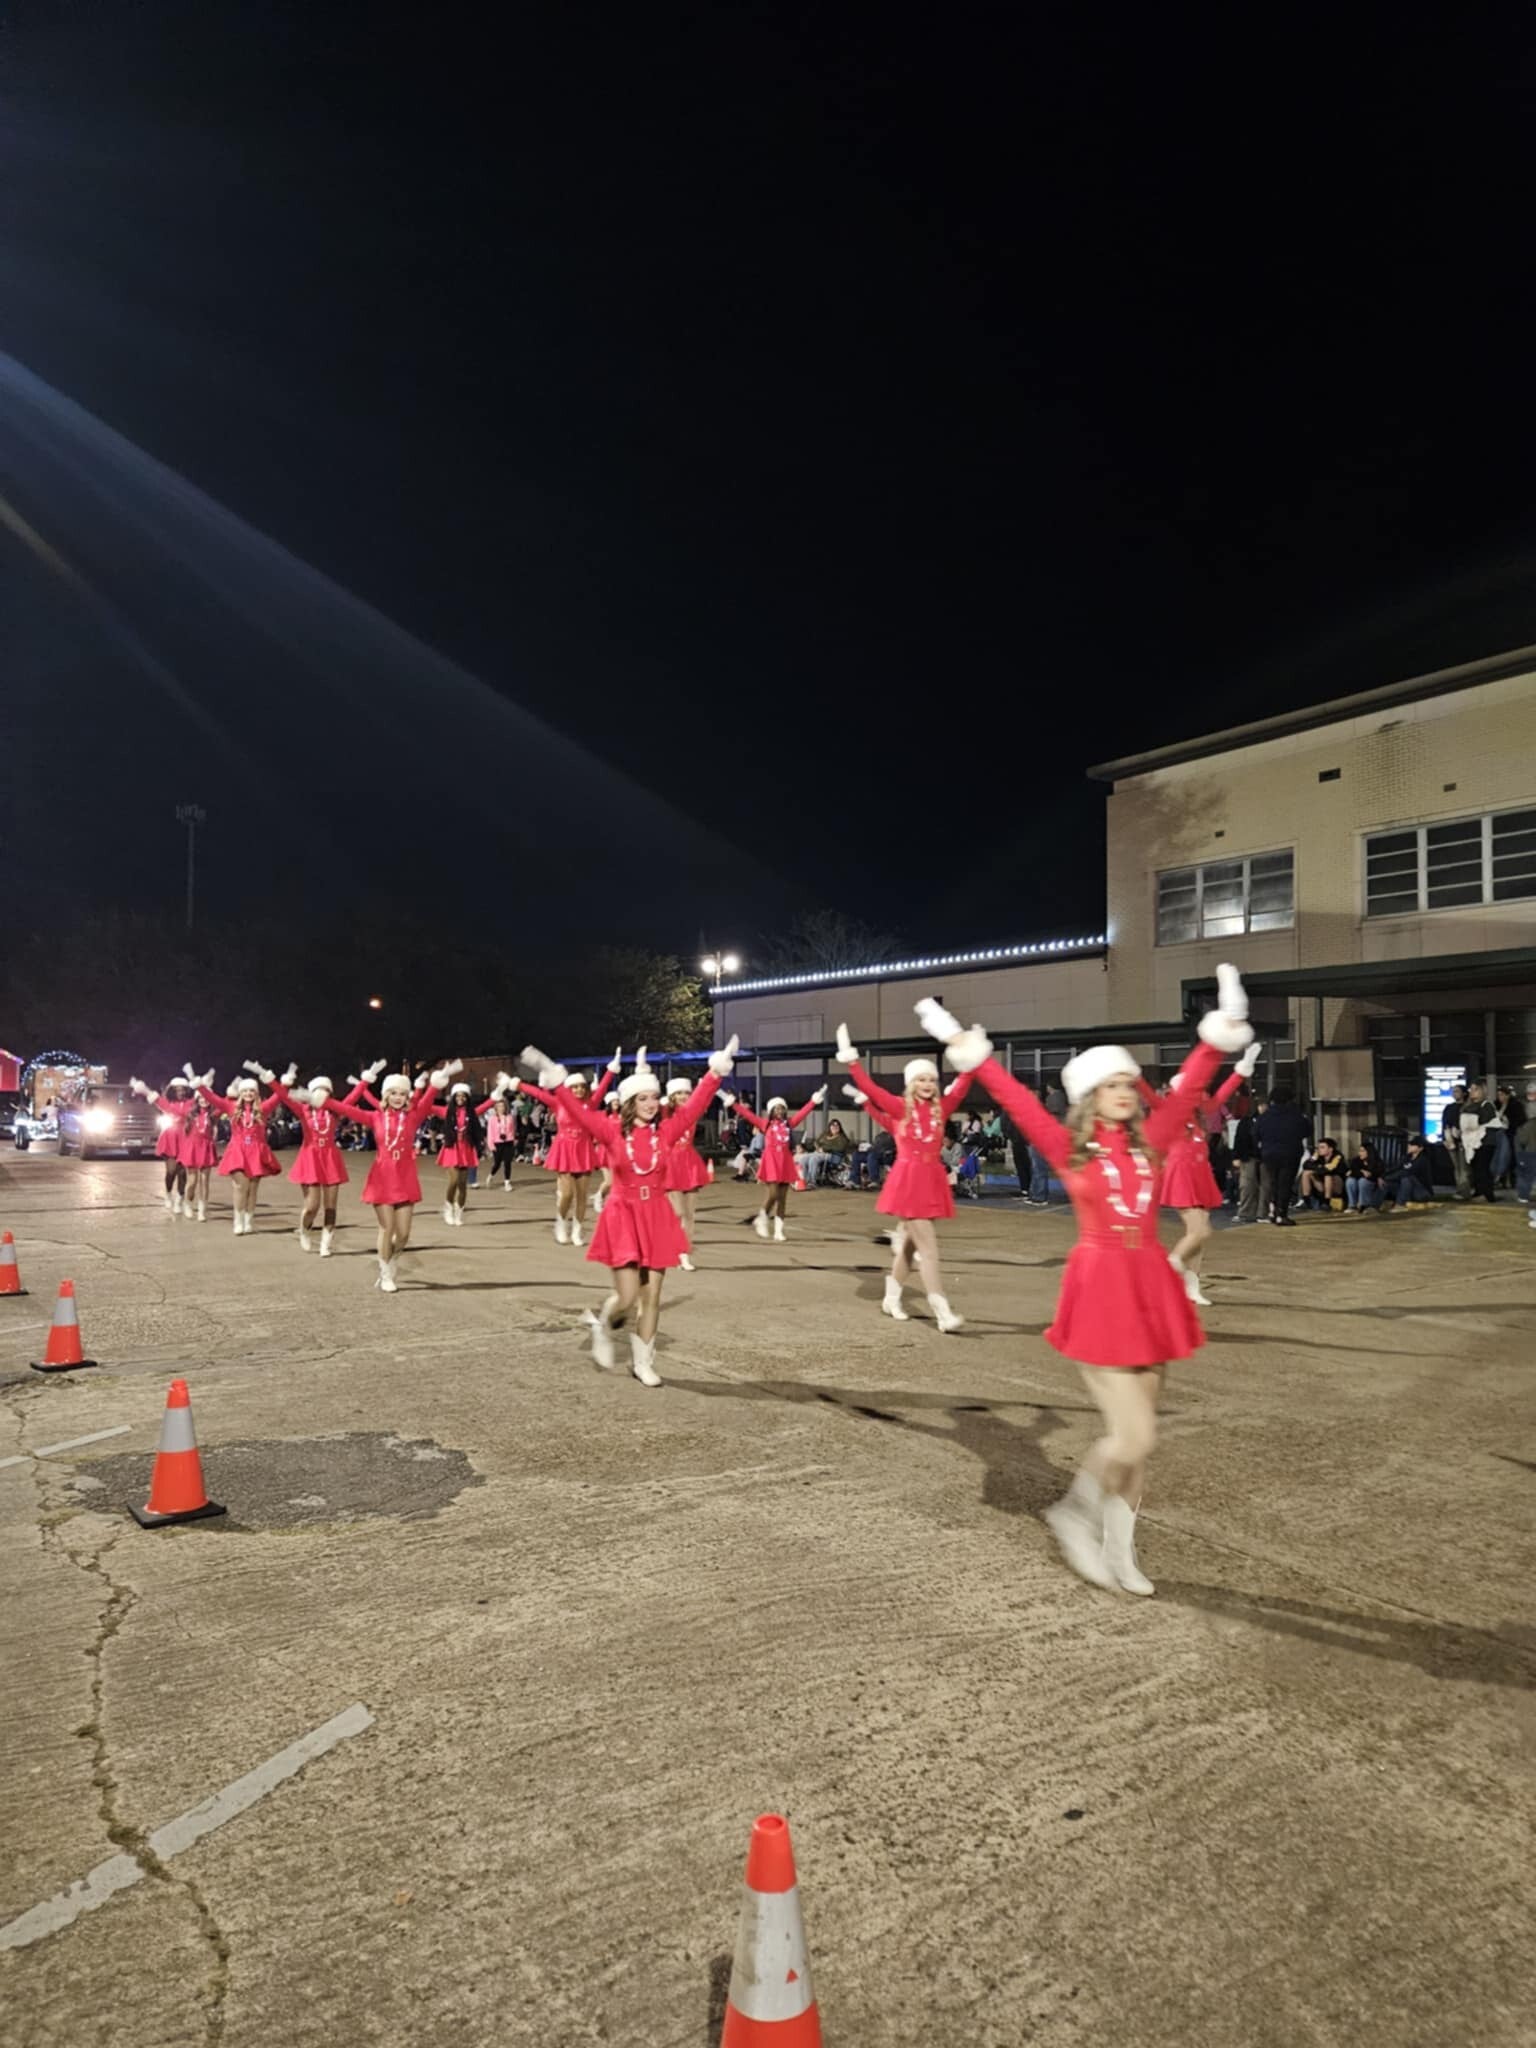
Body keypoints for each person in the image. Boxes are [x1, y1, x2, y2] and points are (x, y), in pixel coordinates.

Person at [913, 965, 1254, 1596]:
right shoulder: (1068, 1148)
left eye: (1130, 1081)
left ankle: (1121, 1554)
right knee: (1134, 1433)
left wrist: (1217, 1038)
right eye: (1112, 1083)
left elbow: (1186, 1094)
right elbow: (1014, 1098)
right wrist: (971, 1053)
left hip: (1150, 1285)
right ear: (1090, 1095)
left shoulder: (1152, 1141)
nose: (1126, 1090)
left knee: (1140, 1448)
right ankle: (1073, 1512)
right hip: (1100, 1288)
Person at [518, 1040, 738, 1386]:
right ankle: (604, 1323)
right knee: (628, 1296)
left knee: (652, 1297)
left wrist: (715, 1072)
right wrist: (555, 1079)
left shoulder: (666, 1132)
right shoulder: (610, 1131)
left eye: (654, 1098)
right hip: (623, 1215)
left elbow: (695, 1107)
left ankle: (643, 1362)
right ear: (630, 1103)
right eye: (643, 1098)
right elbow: (577, 1112)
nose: (651, 1104)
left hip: (656, 1216)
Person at [835, 1027, 973, 1330]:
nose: (927, 1084)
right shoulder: (900, 1108)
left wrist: (971, 1058)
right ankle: (942, 1312)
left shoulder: (941, 1109)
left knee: (910, 1250)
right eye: (921, 1079)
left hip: (931, 1181)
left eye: (932, 1079)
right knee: (929, 1250)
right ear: (910, 1083)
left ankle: (891, 1298)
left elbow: (962, 1087)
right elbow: (871, 1089)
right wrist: (851, 1061)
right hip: (909, 1182)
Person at [1142, 1040, 1261, 1303]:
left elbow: (1222, 1096)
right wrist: (1132, 1076)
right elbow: (1149, 1096)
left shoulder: (1200, 1113)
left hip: (1200, 1174)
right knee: (1199, 1230)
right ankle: (1170, 1264)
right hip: (1180, 1175)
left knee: (1198, 1236)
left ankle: (1192, 1285)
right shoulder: (1166, 1109)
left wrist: (1242, 1071)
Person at [329, 1063, 456, 1289]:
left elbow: (428, 1097)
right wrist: (318, 1099)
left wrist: (439, 1080)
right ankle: (385, 1273)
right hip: (382, 1177)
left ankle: (391, 1260)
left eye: (402, 1094)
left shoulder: (413, 1117)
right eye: (394, 1093)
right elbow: (345, 1109)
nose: (398, 1097)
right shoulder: (374, 1117)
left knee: (404, 1234)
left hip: (405, 1177)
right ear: (386, 1095)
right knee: (386, 1228)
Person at [265, 1063, 376, 1255]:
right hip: (310, 1157)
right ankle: (305, 1230)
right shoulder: (303, 1110)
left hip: (330, 1158)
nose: (322, 1095)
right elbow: (284, 1096)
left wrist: (365, 1080)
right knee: (312, 1206)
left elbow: (352, 1097)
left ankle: (326, 1242)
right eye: (318, 1091)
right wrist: (274, 1082)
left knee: (330, 1206)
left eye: (326, 1091)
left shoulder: (335, 1110)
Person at [518, 1050, 622, 1244]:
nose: (579, 1091)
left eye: (582, 1087)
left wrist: (611, 1069)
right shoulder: (559, 1103)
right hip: (565, 1149)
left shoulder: (590, 1104)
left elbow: (602, 1088)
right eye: (574, 1088)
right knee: (567, 1194)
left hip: (583, 1149)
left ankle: (577, 1230)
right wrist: (517, 1084)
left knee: (582, 1195)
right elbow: (538, 1093)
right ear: (569, 1089)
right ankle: (560, 1222)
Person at [194, 1069, 284, 1235]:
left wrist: (271, 1081)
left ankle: (249, 1220)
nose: (248, 1093)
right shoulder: (231, 1107)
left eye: (251, 1091)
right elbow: (212, 1098)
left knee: (252, 1188)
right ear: (240, 1093)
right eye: (245, 1091)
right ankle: (238, 1220)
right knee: (240, 1186)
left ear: (256, 1093)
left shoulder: (263, 1108)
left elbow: (280, 1094)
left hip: (257, 1152)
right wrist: (200, 1086)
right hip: (238, 1151)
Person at [731, 1088, 826, 1240]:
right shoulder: (765, 1124)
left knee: (782, 1199)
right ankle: (761, 1219)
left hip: (785, 1161)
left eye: (782, 1108)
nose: (780, 1111)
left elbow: (803, 1113)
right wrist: (734, 1104)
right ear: (771, 1111)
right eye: (776, 1109)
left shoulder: (789, 1124)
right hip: (771, 1161)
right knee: (773, 1194)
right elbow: (748, 1115)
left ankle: (778, 1231)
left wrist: (813, 1101)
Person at [662, 1073, 712, 1269]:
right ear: (672, 1095)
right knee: (678, 1212)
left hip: (689, 1163)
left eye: (686, 1092)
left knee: (689, 1215)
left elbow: (703, 1101)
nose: (683, 1096)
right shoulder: (664, 1112)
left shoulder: (691, 1112)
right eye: (679, 1092)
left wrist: (705, 1087)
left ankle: (684, 1254)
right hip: (671, 1164)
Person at [432, 1079, 496, 1226]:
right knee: (453, 1181)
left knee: (462, 1184)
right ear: (453, 1097)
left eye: (463, 1096)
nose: (460, 1099)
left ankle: (459, 1211)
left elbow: (486, 1105)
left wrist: (497, 1094)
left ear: (467, 1097)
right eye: (458, 1096)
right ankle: (448, 1207)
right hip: (452, 1148)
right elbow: (428, 1107)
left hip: (466, 1149)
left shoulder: (471, 1112)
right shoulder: (447, 1111)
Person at [1256, 1083, 1310, 1225]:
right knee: (1285, 1183)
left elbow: (1255, 1134)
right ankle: (1282, 1214)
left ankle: (1273, 1211)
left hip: (1269, 1154)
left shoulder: (1265, 1116)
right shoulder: (1295, 1115)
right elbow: (1307, 1130)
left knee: (1273, 1183)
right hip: (1290, 1153)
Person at [146, 1077, 194, 1213]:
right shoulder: (167, 1102)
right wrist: (142, 1088)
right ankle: (168, 1194)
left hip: (186, 1138)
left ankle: (179, 1200)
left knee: (182, 1172)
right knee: (171, 1171)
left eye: (183, 1089)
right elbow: (154, 1098)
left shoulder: (191, 1103)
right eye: (177, 1090)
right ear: (172, 1090)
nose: (181, 1092)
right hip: (170, 1138)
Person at [1460, 1082, 1500, 1203]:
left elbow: (1482, 1121)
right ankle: (1478, 1191)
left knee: (1483, 1168)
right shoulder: (1469, 1106)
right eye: (1471, 1089)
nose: (1472, 1092)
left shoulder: (1487, 1105)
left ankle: (1486, 1194)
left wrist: (1470, 1120)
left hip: (1485, 1141)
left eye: (1475, 1089)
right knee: (1475, 1168)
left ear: (1482, 1090)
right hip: (1471, 1142)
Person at [1230, 1094, 1261, 1224]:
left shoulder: (1267, 1121)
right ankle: (1246, 1212)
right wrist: (1236, 1156)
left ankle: (1260, 1212)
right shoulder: (1247, 1121)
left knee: (1262, 1186)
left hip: (1264, 1157)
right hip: (1248, 1157)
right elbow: (1239, 1139)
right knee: (1247, 1185)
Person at [1299, 1135, 1347, 1211]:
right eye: (1318, 1147)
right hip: (1322, 1185)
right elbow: (1306, 1165)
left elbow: (1330, 1170)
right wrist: (1319, 1167)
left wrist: (1318, 1168)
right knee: (1306, 1172)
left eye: (1322, 1147)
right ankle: (1306, 1200)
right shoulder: (1317, 1155)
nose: (1319, 1150)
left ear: (1330, 1149)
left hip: (1336, 1186)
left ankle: (1327, 1203)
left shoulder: (1338, 1156)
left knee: (1328, 1176)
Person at [1388, 1134, 1436, 1209]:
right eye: (1410, 1144)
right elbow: (1395, 1168)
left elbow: (1407, 1173)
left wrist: (1388, 1178)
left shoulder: (1423, 1160)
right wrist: (1382, 1177)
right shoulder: (1407, 1157)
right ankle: (1372, 1205)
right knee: (1384, 1183)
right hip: (1408, 1189)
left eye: (1413, 1145)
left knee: (1407, 1178)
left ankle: (1400, 1205)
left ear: (1420, 1148)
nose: (1409, 1146)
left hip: (1422, 1192)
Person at [1441, 1084, 1471, 1199]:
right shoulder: (1449, 1107)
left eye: (1457, 1091)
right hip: (1451, 1140)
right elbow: (1444, 1124)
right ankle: (1460, 1189)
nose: (1454, 1094)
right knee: (1456, 1167)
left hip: (1464, 1140)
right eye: (1453, 1091)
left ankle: (1464, 1191)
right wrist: (1445, 1138)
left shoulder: (1468, 1107)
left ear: (1464, 1093)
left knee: (1464, 1167)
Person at [484, 1091, 519, 1188]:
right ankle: (491, 1175)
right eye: (499, 1106)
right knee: (497, 1163)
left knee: (507, 1162)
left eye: (502, 1106)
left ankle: (507, 1182)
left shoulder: (509, 1117)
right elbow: (490, 1132)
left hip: (508, 1142)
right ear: (496, 1108)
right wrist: (491, 1145)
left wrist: (513, 1139)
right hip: (497, 1143)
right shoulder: (492, 1119)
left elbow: (513, 1129)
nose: (501, 1108)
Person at [1344, 1140, 1386, 1215]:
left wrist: (1361, 1173)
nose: (1359, 1153)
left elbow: (1374, 1175)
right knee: (1350, 1181)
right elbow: (1351, 1173)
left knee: (1363, 1181)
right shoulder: (1356, 1161)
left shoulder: (1377, 1162)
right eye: (1359, 1151)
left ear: (1369, 1152)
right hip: (1360, 1183)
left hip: (1374, 1186)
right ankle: (1352, 1206)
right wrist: (1363, 1172)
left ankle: (1364, 1206)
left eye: (1362, 1151)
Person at [1514, 1082, 1536, 1222]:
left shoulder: (1527, 1121)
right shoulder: (1525, 1117)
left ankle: (1523, 1195)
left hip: (1528, 1149)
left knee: (1525, 1173)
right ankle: (1524, 1195)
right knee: (1526, 1173)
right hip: (1528, 1149)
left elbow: (1520, 1138)